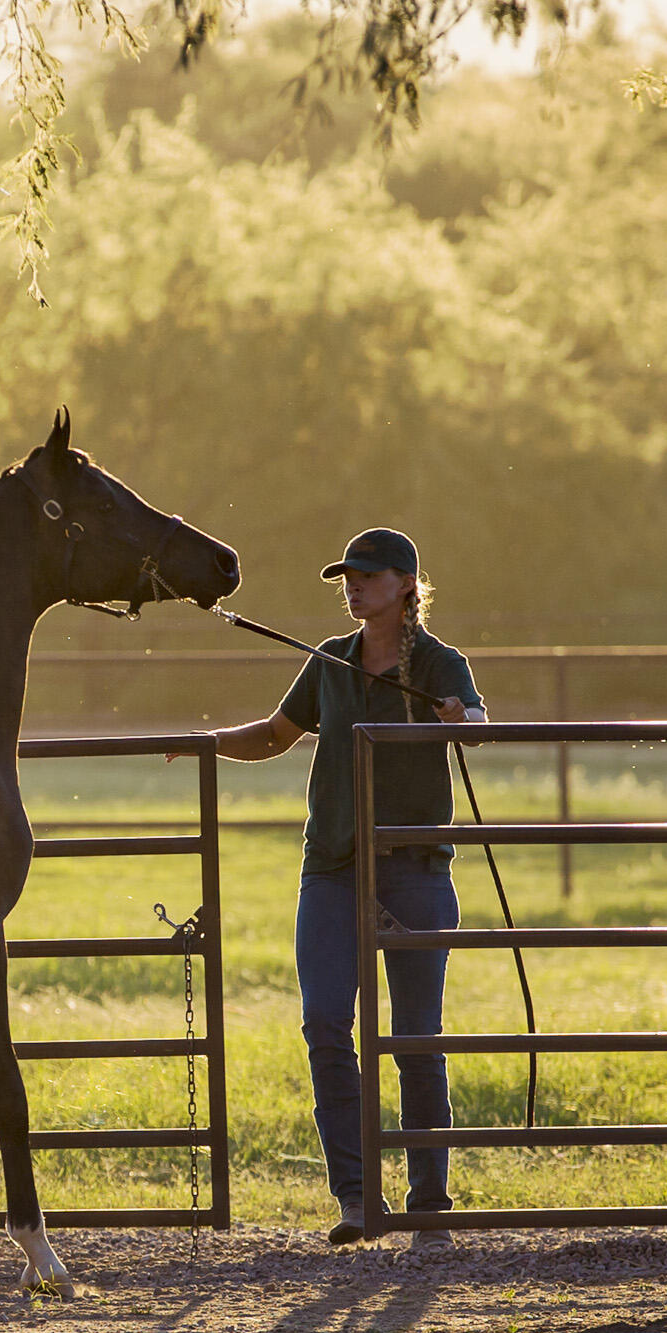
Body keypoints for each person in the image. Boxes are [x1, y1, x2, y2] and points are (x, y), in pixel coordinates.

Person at [204, 528, 481, 1246]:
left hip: (414, 864)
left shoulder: (440, 661)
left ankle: (428, 1205)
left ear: (404, 585)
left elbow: (477, 723)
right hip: (331, 864)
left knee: (417, 1037)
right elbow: (275, 734)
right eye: (347, 577)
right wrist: (205, 745)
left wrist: (461, 717)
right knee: (327, 1022)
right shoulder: (328, 661)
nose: (353, 587)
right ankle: (357, 1199)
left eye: (367, 575)